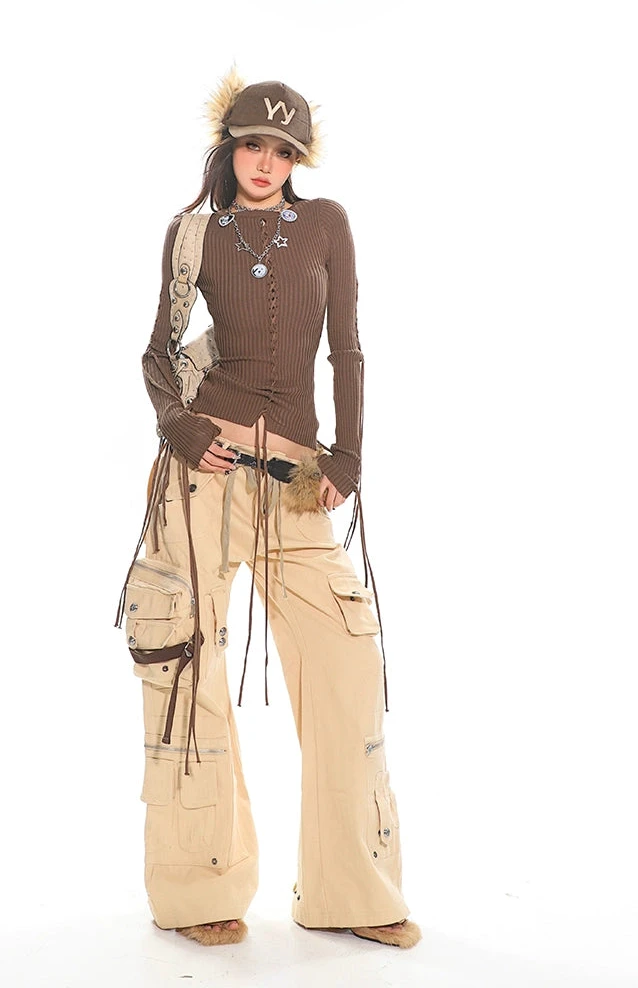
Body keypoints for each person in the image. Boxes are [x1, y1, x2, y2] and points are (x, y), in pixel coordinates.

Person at [114, 69, 422, 950]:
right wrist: (176, 426)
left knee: (346, 666)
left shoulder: (326, 225)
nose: (265, 162)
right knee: (186, 666)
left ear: (299, 160)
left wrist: (349, 456)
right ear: (229, 146)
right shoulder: (194, 233)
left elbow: (347, 348)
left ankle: (350, 893)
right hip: (202, 469)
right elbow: (159, 352)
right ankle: (196, 889)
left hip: (296, 480)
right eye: (252, 144)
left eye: (283, 151)